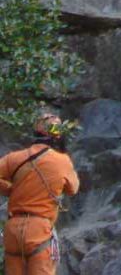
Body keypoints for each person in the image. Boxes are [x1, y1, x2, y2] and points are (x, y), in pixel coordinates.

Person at [0, 114, 79, 275]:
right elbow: (73, 189)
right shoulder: (62, 160)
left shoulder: (15, 158)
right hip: (39, 229)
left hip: (13, 230)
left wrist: (12, 190)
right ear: (56, 135)